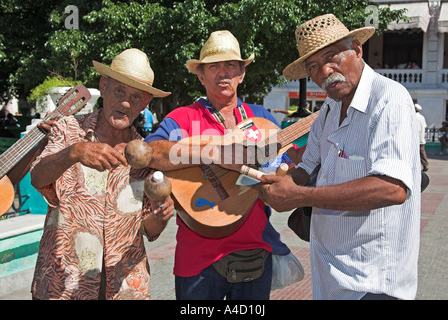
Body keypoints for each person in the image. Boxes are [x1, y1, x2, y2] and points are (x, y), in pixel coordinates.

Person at [256, 14, 421, 300]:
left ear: (357, 50)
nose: (325, 72)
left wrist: (301, 196)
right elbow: (307, 166)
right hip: (332, 280)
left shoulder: (388, 99)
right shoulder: (329, 112)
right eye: (313, 67)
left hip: (373, 283)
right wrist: (280, 182)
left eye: (332, 57)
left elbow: (392, 188)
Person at [145, 30, 297, 300]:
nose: (223, 73)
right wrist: (213, 153)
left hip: (256, 252)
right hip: (197, 258)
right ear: (201, 75)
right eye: (213, 66)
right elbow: (151, 153)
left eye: (231, 66)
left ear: (242, 74)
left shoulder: (260, 117)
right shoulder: (182, 118)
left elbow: (289, 165)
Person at [30, 48, 175, 300]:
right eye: (119, 90)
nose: (126, 102)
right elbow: (38, 178)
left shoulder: (146, 155)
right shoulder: (68, 130)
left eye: (136, 96)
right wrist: (74, 153)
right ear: (104, 85)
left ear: (145, 103)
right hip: (63, 286)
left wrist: (160, 216)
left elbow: (149, 230)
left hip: (125, 288)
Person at [415, 104, 428, 171]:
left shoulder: (414, 117)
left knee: (415, 153)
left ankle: (416, 167)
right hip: (421, 138)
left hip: (415, 139)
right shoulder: (422, 117)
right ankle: (425, 165)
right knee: (422, 153)